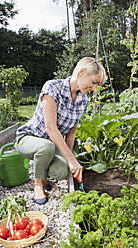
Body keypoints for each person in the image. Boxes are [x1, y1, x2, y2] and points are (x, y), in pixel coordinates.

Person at [15, 57, 107, 204]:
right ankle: (39, 183)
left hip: (51, 145)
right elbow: (50, 128)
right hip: (29, 137)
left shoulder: (83, 100)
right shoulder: (52, 88)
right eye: (94, 82)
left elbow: (71, 132)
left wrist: (67, 160)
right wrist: (72, 160)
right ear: (82, 72)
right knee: (46, 147)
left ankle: (44, 173)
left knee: (61, 171)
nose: (94, 88)